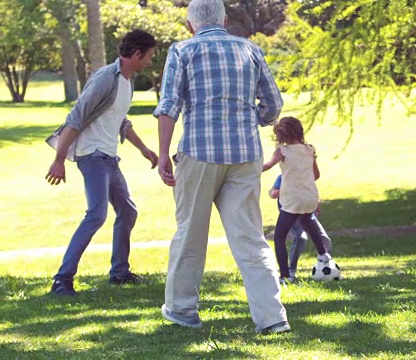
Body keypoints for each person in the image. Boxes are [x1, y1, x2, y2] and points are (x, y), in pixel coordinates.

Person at [154, 0, 289, 333]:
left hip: (199, 153)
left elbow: (169, 106)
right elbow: (273, 104)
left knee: (190, 235)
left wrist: (162, 154)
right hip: (245, 154)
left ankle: (182, 310)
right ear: (225, 20)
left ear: (190, 25)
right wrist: (252, 119)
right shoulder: (250, 50)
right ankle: (272, 318)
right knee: (250, 238)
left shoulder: (182, 51)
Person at [44, 30, 159, 296]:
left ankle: (119, 273)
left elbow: (121, 120)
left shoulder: (127, 81)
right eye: (149, 56)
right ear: (137, 53)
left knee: (128, 211)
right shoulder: (106, 78)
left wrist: (144, 149)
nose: (150, 62)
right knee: (96, 215)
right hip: (92, 155)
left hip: (109, 156)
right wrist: (59, 160)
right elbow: (76, 117)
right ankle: (62, 280)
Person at [263, 117, 334, 285]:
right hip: (310, 198)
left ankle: (285, 276)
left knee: (280, 237)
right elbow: (316, 175)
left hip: (291, 200)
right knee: (306, 219)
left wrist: (248, 167)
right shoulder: (309, 150)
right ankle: (323, 254)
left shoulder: (282, 151)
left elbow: (267, 166)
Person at [269, 174, 333, 278]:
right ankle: (291, 271)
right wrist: (275, 193)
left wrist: (316, 201)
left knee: (325, 240)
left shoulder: (305, 172)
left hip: (307, 212)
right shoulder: (284, 177)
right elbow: (272, 191)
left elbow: (312, 187)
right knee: (301, 237)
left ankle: (326, 269)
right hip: (291, 213)